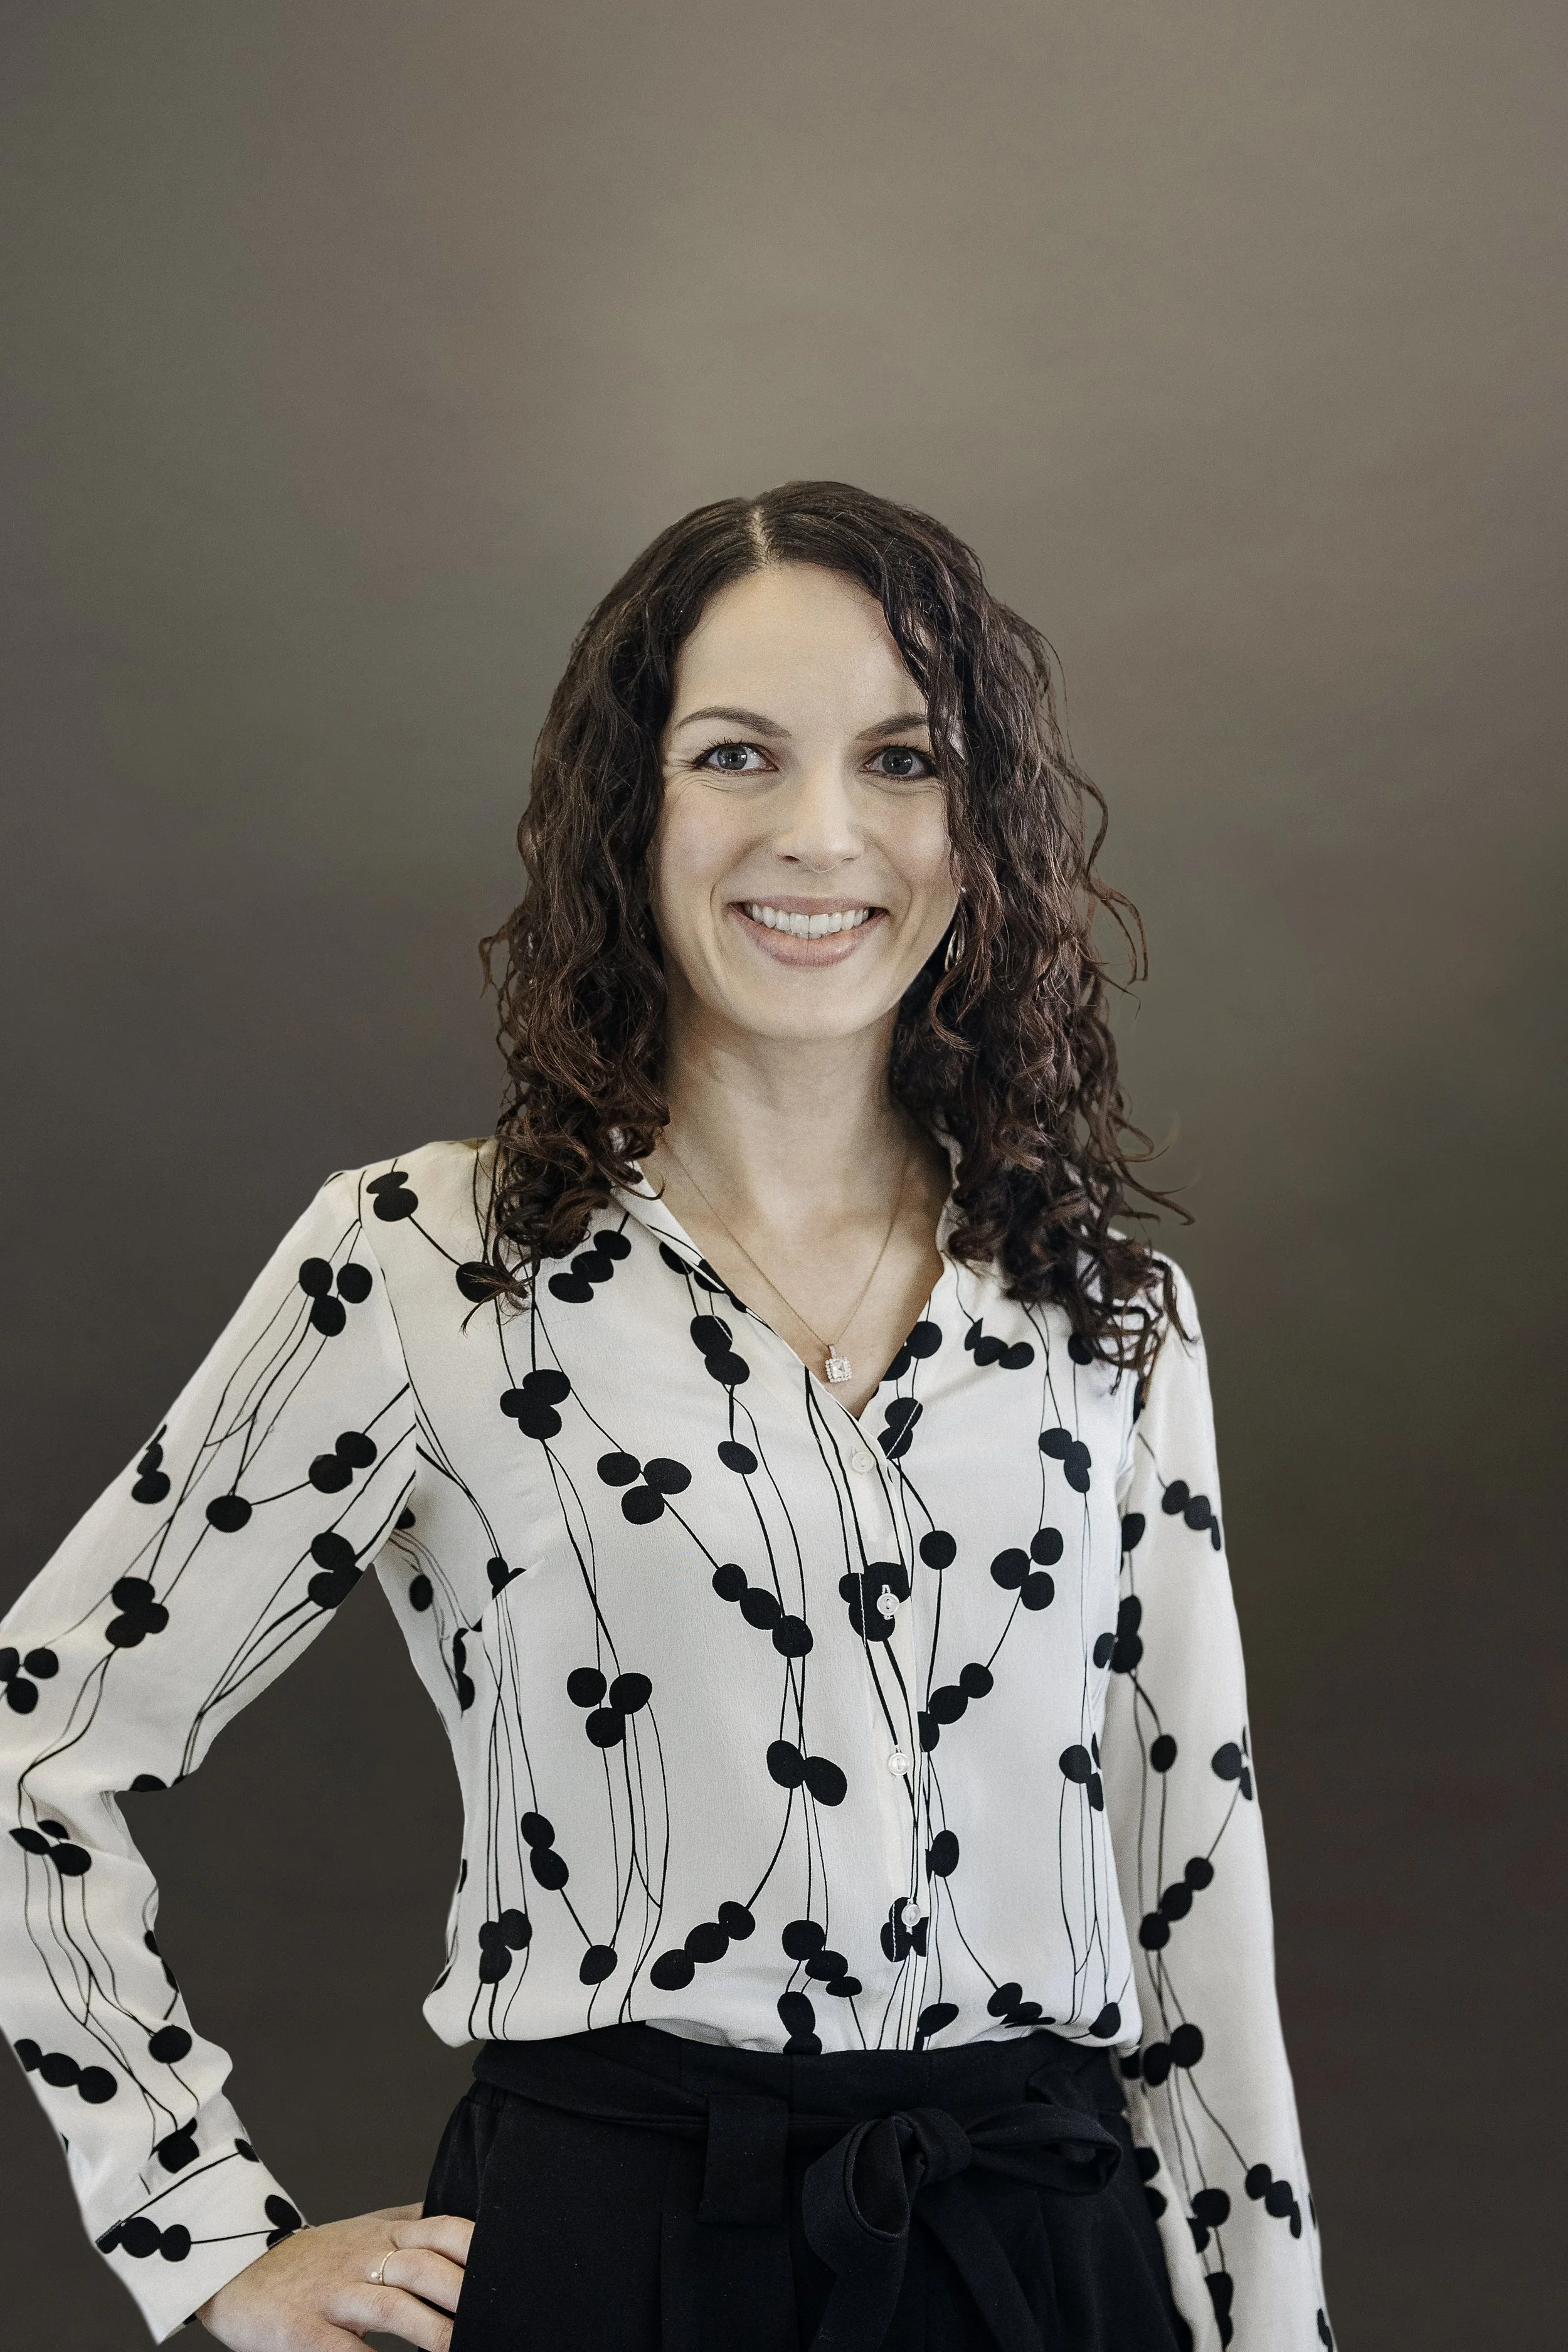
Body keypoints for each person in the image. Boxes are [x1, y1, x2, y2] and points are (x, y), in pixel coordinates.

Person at [0, 482, 1332, 2352]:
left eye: (898, 758)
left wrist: (1267, 2326)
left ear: (983, 827)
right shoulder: (419, 1266)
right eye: (735, 755)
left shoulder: (1101, 1313)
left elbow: (1193, 1878)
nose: (819, 833)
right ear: (628, 809)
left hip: (1049, 2260)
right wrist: (204, 2229)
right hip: (615, 2261)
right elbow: (29, 1743)